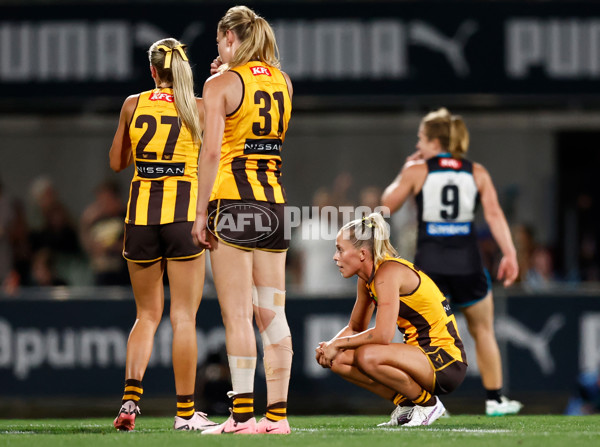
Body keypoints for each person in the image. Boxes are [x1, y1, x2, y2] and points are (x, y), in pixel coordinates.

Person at [191, 5, 293, 435]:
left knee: (236, 315)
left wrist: (199, 212)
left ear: (229, 38)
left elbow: (212, 149)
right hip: (274, 206)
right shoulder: (284, 82)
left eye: (219, 41)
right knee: (273, 313)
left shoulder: (220, 84)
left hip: (233, 205)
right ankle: (278, 417)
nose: (218, 48)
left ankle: (242, 416)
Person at [381, 108, 522, 416]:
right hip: (467, 263)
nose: (418, 145)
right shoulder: (476, 172)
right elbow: (495, 215)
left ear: (434, 141)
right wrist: (510, 254)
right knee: (483, 329)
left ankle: (421, 402)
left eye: (421, 139)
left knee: (421, 334)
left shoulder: (418, 170)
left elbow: (386, 205)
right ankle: (496, 400)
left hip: (430, 266)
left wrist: (405, 169)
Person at [108, 37, 216, 432]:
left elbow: (117, 162)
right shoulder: (200, 108)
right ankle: (185, 412)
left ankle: (131, 400)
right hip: (185, 217)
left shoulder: (133, 104)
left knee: (146, 316)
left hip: (140, 219)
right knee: (183, 316)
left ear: (152, 70)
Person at [316, 213, 467, 427]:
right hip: (421, 358)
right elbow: (355, 328)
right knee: (338, 360)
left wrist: (337, 344)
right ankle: (406, 405)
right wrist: (329, 348)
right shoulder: (367, 278)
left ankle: (428, 404)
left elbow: (383, 335)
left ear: (362, 253)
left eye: (340, 249)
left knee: (367, 355)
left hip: (445, 361)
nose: (335, 256)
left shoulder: (387, 272)